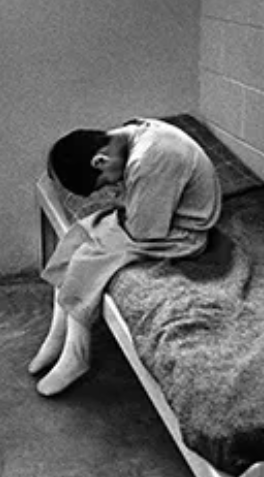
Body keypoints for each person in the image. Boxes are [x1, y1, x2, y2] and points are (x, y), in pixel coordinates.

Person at [29, 117, 222, 396]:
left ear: (100, 161)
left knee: (87, 258)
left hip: (179, 233)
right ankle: (58, 334)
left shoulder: (149, 159)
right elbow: (133, 206)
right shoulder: (130, 134)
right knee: (78, 235)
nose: (109, 187)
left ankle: (77, 354)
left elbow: (143, 230)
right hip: (152, 218)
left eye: (104, 182)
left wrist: (113, 224)